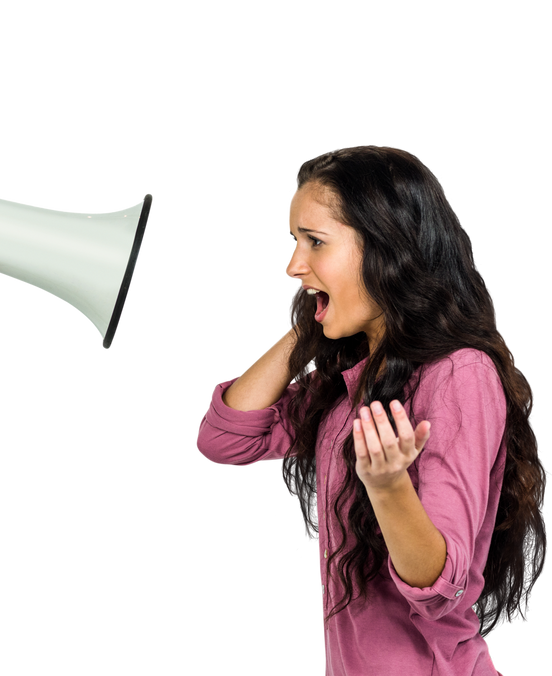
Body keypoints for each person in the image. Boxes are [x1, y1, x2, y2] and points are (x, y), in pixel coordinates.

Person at [194, 142, 544, 675]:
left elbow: (439, 589)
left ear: (387, 249)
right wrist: (308, 324)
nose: (292, 265)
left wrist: (387, 487)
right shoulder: (350, 376)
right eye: (294, 241)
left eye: (315, 242)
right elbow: (226, 441)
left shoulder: (459, 374)